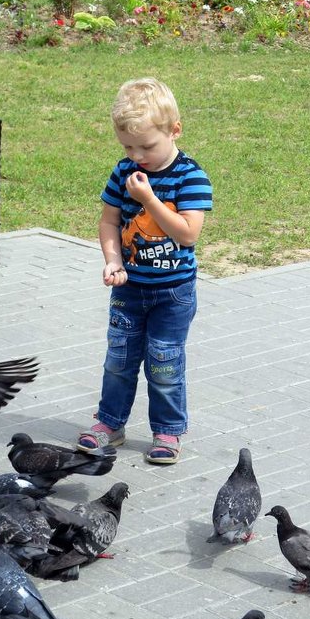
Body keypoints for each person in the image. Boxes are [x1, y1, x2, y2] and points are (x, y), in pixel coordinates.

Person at [76, 78, 212, 464]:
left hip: (173, 293)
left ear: (175, 130)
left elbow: (187, 235)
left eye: (147, 146)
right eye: (127, 146)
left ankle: (167, 431)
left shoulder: (190, 177)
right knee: (118, 360)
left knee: (164, 360)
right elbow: (108, 223)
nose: (137, 156)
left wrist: (149, 198)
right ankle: (109, 423)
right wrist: (113, 260)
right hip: (130, 290)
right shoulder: (123, 173)